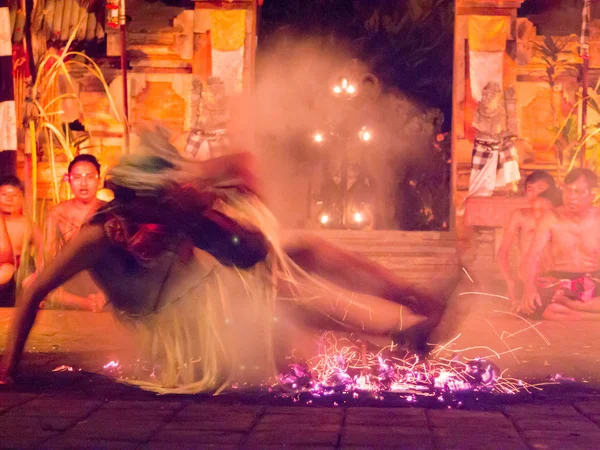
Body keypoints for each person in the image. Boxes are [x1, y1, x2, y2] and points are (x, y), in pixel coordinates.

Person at [0, 127, 448, 393]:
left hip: (208, 283)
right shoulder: (99, 235)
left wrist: (228, 196)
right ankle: (398, 331)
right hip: (189, 333)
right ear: (138, 202)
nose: (171, 204)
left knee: (301, 255)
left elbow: (240, 165)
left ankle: (412, 301)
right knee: (279, 303)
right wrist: (9, 371)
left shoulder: (175, 198)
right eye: (165, 200)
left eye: (173, 197)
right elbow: (35, 290)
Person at [517, 168, 600, 320]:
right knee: (543, 307)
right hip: (560, 283)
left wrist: (575, 304)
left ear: (592, 195)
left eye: (578, 192)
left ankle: (576, 310)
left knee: (557, 309)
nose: (571, 197)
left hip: (594, 281)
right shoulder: (551, 218)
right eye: (568, 191)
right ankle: (588, 315)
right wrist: (529, 289)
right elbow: (533, 256)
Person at [35, 155, 107, 311]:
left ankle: (98, 302)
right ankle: (86, 305)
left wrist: (103, 295)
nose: (83, 183)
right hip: (71, 279)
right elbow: (46, 258)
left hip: (105, 281)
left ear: (99, 180)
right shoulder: (57, 213)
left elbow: (124, 260)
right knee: (35, 283)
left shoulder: (110, 211)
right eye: (77, 177)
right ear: (68, 180)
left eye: (89, 177)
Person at [497, 171, 559, 303]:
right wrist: (509, 281)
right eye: (530, 189)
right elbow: (502, 252)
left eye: (540, 188)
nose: (535, 194)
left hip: (553, 278)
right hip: (526, 280)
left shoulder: (559, 216)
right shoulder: (520, 216)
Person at [0, 176, 41, 307]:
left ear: (22, 199)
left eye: (15, 195)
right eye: (4, 194)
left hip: (20, 272)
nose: (9, 199)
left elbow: (44, 251)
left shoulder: (27, 224)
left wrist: (37, 274)